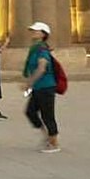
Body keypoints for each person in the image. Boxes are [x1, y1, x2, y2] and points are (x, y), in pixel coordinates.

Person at [23, 22, 61, 153]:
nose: (33, 32)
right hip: (39, 87)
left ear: (43, 34)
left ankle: (54, 143)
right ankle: (46, 136)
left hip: (46, 86)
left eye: (36, 30)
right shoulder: (34, 48)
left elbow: (42, 67)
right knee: (30, 111)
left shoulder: (42, 49)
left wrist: (30, 82)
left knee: (47, 115)